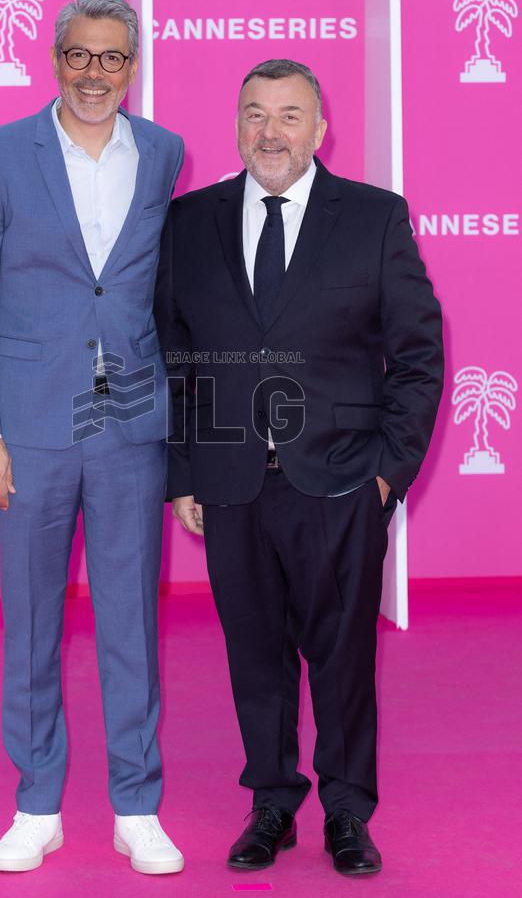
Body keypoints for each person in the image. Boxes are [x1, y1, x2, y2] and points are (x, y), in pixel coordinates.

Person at [155, 59, 443, 876]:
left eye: (289, 115)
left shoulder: (374, 218)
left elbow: (419, 355)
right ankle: (272, 804)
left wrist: (389, 472)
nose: (270, 132)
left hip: (343, 481)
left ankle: (348, 810)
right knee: (255, 655)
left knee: (344, 657)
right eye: (254, 114)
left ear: (321, 131)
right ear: (236, 126)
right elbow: (174, 359)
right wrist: (182, 471)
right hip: (230, 482)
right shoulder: (190, 222)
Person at [0, 0, 185, 876]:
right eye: (80, 56)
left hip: (130, 426)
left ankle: (137, 805)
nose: (96, 73)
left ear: (132, 66)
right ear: (55, 60)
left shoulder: (162, 151)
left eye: (113, 58)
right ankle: (36, 801)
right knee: (34, 622)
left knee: (132, 622)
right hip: (30, 427)